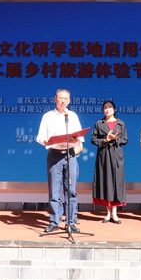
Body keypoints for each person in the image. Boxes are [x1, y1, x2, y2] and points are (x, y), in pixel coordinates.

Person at [36, 89, 84, 233]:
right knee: (54, 190)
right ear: (55, 99)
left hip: (70, 155)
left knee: (71, 190)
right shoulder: (47, 116)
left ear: (69, 101)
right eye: (60, 98)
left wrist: (75, 140)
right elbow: (40, 136)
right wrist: (45, 141)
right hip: (54, 155)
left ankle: (70, 222)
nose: (63, 101)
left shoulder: (72, 116)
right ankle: (54, 221)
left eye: (66, 99)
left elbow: (80, 138)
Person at [91, 100, 128, 224]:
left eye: (110, 107)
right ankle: (107, 212)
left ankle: (115, 213)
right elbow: (93, 139)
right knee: (105, 181)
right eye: (105, 107)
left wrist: (115, 139)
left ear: (114, 109)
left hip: (116, 154)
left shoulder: (121, 123)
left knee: (117, 181)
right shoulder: (99, 123)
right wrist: (105, 140)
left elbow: (125, 139)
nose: (107, 109)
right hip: (104, 155)